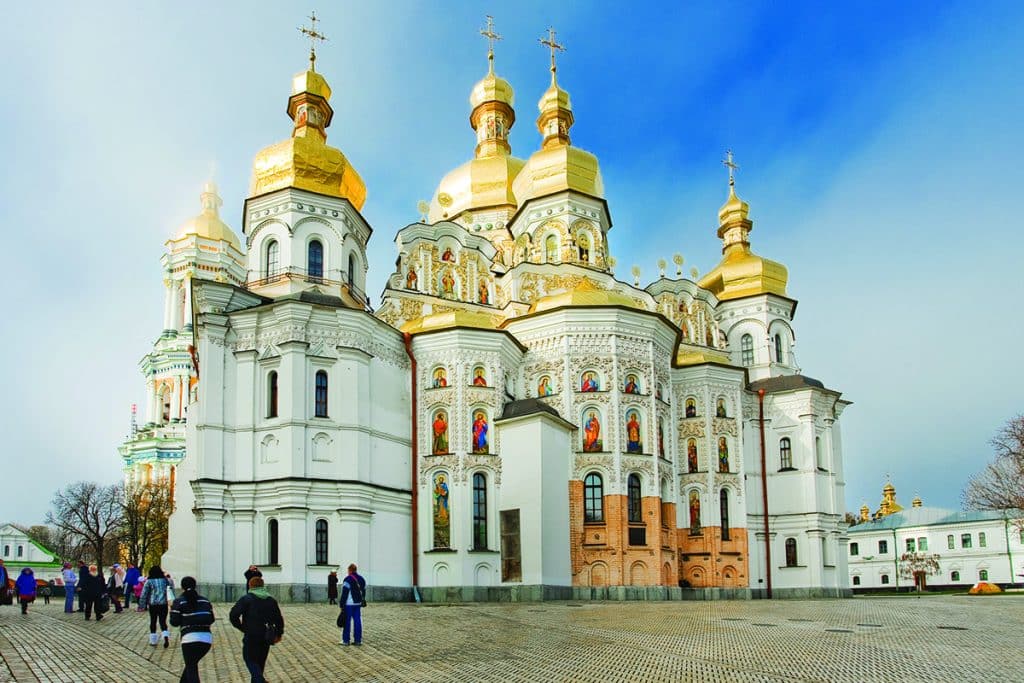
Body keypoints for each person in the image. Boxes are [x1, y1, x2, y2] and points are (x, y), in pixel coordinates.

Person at [229, 576, 284, 683]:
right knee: (260, 662)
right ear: (263, 586)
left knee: (249, 659)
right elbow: (278, 619)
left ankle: (260, 680)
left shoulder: (246, 599)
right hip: (266, 635)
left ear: (250, 586)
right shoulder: (271, 600)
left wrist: (241, 627)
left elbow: (233, 615)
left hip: (251, 634)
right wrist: (279, 633)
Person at [170, 576, 215, 683]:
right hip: (206, 640)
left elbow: (174, 622)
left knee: (191, 669)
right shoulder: (205, 600)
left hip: (189, 638)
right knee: (191, 665)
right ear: (195, 586)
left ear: (182, 587)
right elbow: (211, 619)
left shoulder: (179, 601)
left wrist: (172, 612)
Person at [140, 565, 171, 647]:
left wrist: (142, 605)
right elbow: (170, 590)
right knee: (163, 621)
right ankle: (166, 638)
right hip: (163, 604)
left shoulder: (149, 581)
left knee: (153, 621)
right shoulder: (165, 580)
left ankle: (153, 640)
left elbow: (144, 593)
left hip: (153, 604)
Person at [337, 563, 367, 646]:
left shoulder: (348, 579)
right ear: (355, 570)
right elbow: (364, 591)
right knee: (357, 621)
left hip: (349, 604)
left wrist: (341, 604)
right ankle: (358, 640)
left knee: (347, 621)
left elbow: (344, 593)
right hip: (358, 603)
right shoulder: (361, 579)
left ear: (349, 570)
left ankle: (346, 640)